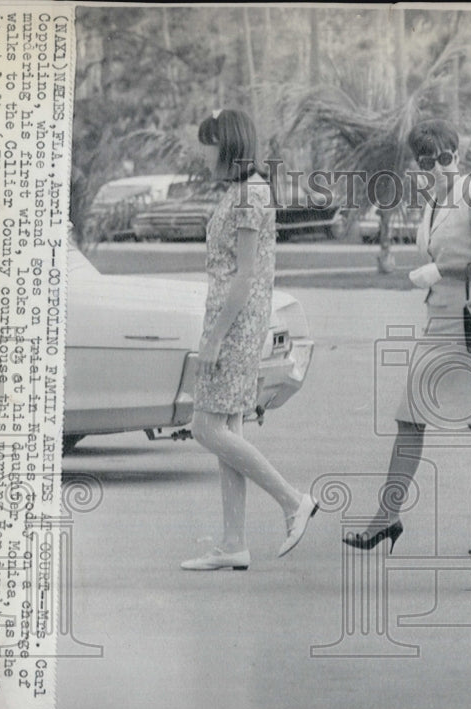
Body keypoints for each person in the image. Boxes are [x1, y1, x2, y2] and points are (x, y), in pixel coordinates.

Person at [343, 118, 471, 552]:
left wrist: (443, 269)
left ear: (456, 154)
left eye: (444, 157)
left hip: (468, 321)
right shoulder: (435, 199)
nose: (437, 166)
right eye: (426, 160)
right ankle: (388, 515)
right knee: (412, 417)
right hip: (438, 320)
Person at [181, 109, 317, 571]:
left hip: (235, 324)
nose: (203, 152)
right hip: (233, 320)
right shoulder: (245, 191)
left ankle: (293, 500)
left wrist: (216, 338)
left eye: (209, 143)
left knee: (206, 427)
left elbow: (244, 278)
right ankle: (233, 542)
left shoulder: (249, 195)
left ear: (229, 145)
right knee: (228, 431)